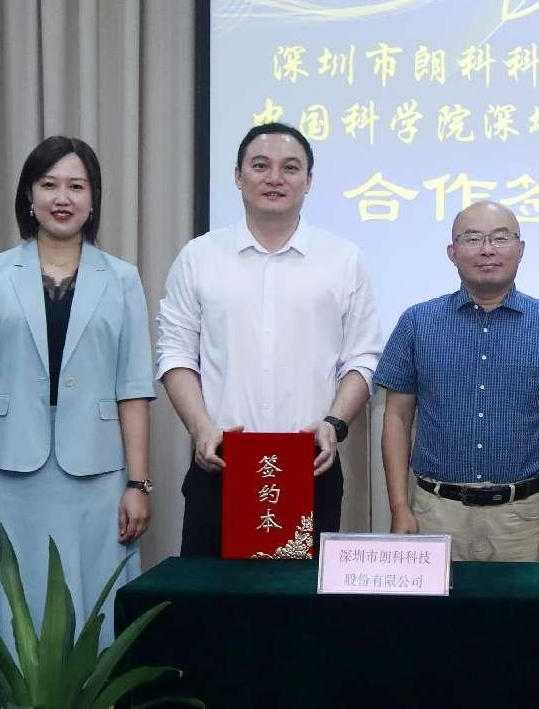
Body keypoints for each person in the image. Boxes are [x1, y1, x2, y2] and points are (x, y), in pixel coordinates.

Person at [0, 137, 154, 646]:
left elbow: (133, 389)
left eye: (76, 187)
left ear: (93, 198)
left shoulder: (122, 279)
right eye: (49, 185)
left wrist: (139, 484)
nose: (62, 198)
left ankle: (92, 704)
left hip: (98, 476)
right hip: (8, 475)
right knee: (18, 612)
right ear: (29, 195)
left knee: (95, 610)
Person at [156, 122, 381, 556]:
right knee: (210, 596)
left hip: (311, 465)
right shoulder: (199, 257)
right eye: (260, 166)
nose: (274, 178)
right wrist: (201, 429)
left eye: (290, 168)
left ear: (308, 181)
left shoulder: (343, 259)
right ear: (238, 176)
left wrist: (334, 423)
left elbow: (363, 358)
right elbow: (175, 353)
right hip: (220, 460)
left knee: (301, 598)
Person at [377, 202, 539, 562]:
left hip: (527, 520)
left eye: (500, 238)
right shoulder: (416, 322)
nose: (487, 249)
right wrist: (399, 508)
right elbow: (396, 418)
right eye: (472, 239)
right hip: (435, 514)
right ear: (452, 252)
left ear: (521, 249)